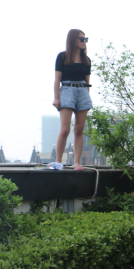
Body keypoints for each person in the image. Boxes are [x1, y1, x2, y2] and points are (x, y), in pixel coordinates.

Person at [51, 29, 93, 170]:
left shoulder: (86, 60)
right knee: (65, 129)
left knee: (79, 129)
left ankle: (77, 163)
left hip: (82, 91)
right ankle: (58, 160)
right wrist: (56, 98)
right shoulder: (62, 57)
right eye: (81, 39)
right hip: (67, 90)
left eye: (85, 39)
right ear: (73, 40)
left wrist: (86, 97)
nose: (84, 42)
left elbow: (87, 81)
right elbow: (57, 79)